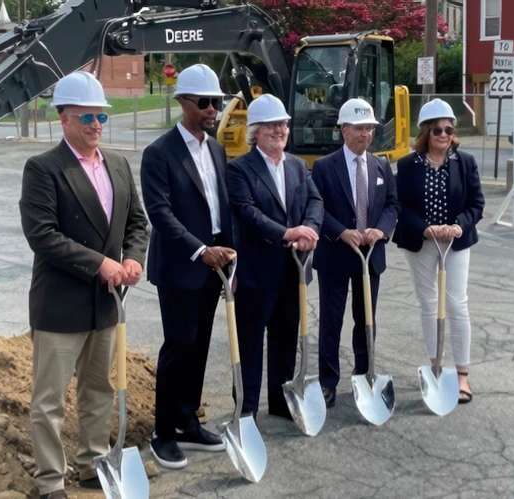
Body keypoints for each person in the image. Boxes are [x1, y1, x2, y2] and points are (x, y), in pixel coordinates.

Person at [19, 71, 149, 499]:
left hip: (106, 303)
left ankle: (93, 462)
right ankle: (50, 481)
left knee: (100, 389)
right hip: (61, 304)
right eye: (87, 116)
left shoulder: (118, 164)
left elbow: (137, 222)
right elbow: (43, 235)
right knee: (50, 401)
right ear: (64, 119)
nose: (96, 124)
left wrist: (131, 257)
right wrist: (101, 264)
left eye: (102, 117)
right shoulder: (43, 168)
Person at [141, 64, 234, 469]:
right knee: (178, 347)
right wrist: (201, 251)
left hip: (214, 263)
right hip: (183, 264)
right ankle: (163, 433)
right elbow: (160, 214)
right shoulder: (159, 153)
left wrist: (227, 252)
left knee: (198, 346)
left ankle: (187, 421)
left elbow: (221, 206)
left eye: (217, 102)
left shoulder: (215, 149)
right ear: (183, 103)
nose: (213, 109)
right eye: (205, 102)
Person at [226, 94, 323, 421]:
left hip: (292, 271)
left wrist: (308, 228)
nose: (279, 130)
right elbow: (246, 212)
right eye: (270, 125)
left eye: (282, 124)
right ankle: (246, 410)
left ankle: (282, 402)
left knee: (285, 340)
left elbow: (315, 202)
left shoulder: (298, 166)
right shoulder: (239, 169)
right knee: (250, 345)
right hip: (256, 272)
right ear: (254, 131)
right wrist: (287, 233)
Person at [392, 98, 485, 404]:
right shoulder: (407, 166)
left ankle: (461, 375)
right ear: (426, 134)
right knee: (429, 304)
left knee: (457, 304)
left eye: (448, 129)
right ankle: (435, 367)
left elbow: (476, 204)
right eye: (437, 131)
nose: (444, 135)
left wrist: (459, 225)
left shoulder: (465, 162)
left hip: (455, 243)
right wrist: (424, 226)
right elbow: (399, 205)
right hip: (422, 242)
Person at [311, 98, 399, 408]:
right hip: (336, 253)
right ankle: (328, 382)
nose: (366, 135)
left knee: (366, 320)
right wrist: (340, 232)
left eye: (370, 129)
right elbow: (316, 206)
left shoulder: (380, 165)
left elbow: (391, 204)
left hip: (369, 255)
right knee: (331, 322)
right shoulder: (324, 167)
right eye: (360, 128)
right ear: (344, 129)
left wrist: (381, 230)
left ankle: (364, 374)